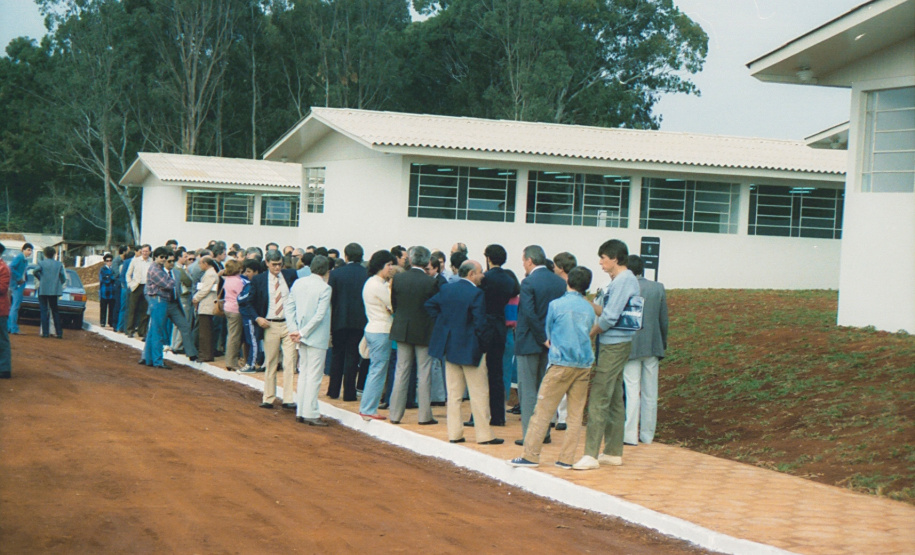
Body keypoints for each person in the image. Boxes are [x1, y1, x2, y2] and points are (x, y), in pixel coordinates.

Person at [508, 266, 596, 469]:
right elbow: (590, 328)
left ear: (568, 281)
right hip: (583, 365)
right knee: (575, 415)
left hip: (560, 363)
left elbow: (547, 332)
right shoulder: (589, 308)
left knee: (543, 410)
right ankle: (566, 458)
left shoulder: (556, 305)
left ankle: (530, 454)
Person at [573, 239, 640, 470]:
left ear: (616, 259)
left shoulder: (624, 280)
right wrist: (590, 305)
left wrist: (591, 333)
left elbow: (610, 317)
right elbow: (609, 312)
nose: (600, 262)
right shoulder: (619, 281)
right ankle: (612, 451)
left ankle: (591, 454)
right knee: (612, 398)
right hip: (612, 342)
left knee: (600, 396)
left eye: (603, 257)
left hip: (614, 343)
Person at [425, 260, 504, 445]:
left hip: (451, 347)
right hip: (471, 349)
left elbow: (430, 305)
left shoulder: (447, 290)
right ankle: (484, 434)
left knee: (453, 395)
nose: (482, 275)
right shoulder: (476, 294)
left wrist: (444, 325)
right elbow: (480, 323)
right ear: (471, 274)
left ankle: (454, 433)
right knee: (479, 393)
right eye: (480, 272)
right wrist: (484, 345)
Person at [514, 245, 566, 446]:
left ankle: (531, 435)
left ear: (529, 260)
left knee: (527, 390)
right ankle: (544, 432)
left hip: (530, 341)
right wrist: (549, 338)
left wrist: (541, 336)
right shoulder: (559, 282)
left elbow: (529, 313)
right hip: (552, 342)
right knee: (544, 390)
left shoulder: (528, 282)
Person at [241, 249, 298, 408]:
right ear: (267, 263)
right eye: (274, 265)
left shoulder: (291, 275)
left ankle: (288, 399)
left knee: (289, 362)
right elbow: (249, 302)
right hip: (269, 324)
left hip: (288, 324)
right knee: (271, 362)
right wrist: (258, 318)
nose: (277, 268)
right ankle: (268, 397)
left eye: (279, 264)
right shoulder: (259, 280)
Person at [389, 246, 439, 425]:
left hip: (402, 328)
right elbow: (434, 307)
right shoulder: (431, 282)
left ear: (410, 259)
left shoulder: (399, 278)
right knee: (424, 373)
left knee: (401, 371)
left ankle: (395, 414)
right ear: (427, 262)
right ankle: (424, 415)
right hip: (424, 330)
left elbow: (394, 303)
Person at [623, 254, 668, 446]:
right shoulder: (658, 288)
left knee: (632, 390)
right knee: (650, 392)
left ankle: (630, 435)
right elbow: (663, 320)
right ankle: (648, 435)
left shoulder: (624, 287)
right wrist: (662, 343)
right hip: (653, 344)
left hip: (631, 346)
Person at [285, 255, 333, 426]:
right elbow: (319, 316)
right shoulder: (325, 288)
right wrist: (302, 332)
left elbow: (289, 307)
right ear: (327, 270)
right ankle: (310, 413)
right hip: (315, 336)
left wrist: (294, 330)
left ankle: (301, 411)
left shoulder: (299, 283)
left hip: (300, 334)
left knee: (304, 372)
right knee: (313, 375)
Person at [479, 244, 520, 427]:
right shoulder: (509, 280)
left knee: (480, 373)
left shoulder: (484, 278)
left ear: (488, 258)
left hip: (485, 326)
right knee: (497, 373)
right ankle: (498, 416)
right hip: (500, 327)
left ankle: (478, 415)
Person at [326, 243, 367, 401]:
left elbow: (332, 298)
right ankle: (349, 393)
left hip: (339, 319)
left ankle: (333, 390)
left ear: (346, 256)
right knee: (353, 356)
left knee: (337, 355)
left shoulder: (337, 273)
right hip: (359, 321)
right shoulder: (366, 273)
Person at [359, 250, 396, 420]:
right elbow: (393, 304)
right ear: (381, 266)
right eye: (389, 265)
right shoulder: (377, 285)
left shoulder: (373, 283)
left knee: (376, 369)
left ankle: (368, 407)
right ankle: (368, 408)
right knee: (378, 370)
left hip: (374, 329)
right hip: (380, 330)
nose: (391, 268)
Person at [140, 247, 177, 369]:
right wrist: (171, 280)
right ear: (155, 257)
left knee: (153, 331)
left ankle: (149, 359)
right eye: (161, 257)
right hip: (159, 300)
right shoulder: (156, 270)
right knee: (157, 331)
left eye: (165, 257)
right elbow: (169, 284)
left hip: (158, 300)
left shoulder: (158, 269)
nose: (164, 259)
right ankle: (157, 360)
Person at [34, 246, 67, 339]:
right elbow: (63, 277)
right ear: (54, 254)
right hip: (54, 290)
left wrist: (41, 278)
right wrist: (59, 283)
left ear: (45, 254)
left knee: (44, 311)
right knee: (55, 311)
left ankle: (45, 333)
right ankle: (59, 333)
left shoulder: (41, 263)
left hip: (43, 289)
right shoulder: (58, 264)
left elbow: (35, 271)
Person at [236, 259, 262, 374]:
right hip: (247, 316)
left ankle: (251, 364)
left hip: (250, 317)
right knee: (251, 340)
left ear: (256, 272)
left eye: (249, 271)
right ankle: (251, 362)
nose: (246, 274)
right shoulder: (249, 284)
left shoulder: (253, 285)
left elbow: (241, 298)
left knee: (253, 341)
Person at [192, 256, 219, 363]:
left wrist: (196, 298)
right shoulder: (210, 273)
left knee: (205, 332)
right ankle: (205, 353)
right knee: (204, 331)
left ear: (205, 264)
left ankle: (206, 354)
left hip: (207, 305)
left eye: (200, 263)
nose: (199, 266)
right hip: (206, 305)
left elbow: (205, 290)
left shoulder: (210, 274)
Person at [222, 259, 246, 371]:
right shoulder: (237, 281)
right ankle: (232, 362)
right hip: (235, 309)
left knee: (231, 335)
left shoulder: (228, 279)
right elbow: (242, 295)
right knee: (235, 337)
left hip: (227, 308)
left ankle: (230, 360)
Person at [125, 244, 152, 338]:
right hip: (136, 286)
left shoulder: (152, 262)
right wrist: (130, 284)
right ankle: (130, 330)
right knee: (133, 309)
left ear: (150, 252)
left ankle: (142, 331)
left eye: (146, 251)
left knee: (145, 310)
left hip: (147, 287)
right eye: (143, 251)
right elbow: (128, 274)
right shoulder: (135, 261)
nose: (145, 253)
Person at [7, 242, 32, 334]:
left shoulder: (24, 260)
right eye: (28, 250)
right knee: (15, 307)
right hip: (16, 285)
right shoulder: (19, 258)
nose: (30, 252)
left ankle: (9, 327)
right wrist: (18, 278)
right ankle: (13, 328)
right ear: (23, 250)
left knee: (13, 306)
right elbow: (11, 268)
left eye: (31, 251)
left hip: (18, 284)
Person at [0, 243, 11, 378]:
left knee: (2, 339)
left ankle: (4, 368)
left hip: (0, 309)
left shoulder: (3, 268)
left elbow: (2, 288)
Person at [98, 254, 117, 328]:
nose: (109, 262)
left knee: (111, 308)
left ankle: (110, 322)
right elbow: (104, 279)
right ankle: (102, 322)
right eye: (107, 261)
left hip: (112, 291)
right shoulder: (102, 269)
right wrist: (110, 278)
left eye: (110, 260)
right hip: (104, 291)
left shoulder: (113, 269)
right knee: (103, 308)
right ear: (105, 261)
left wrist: (109, 277)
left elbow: (114, 277)